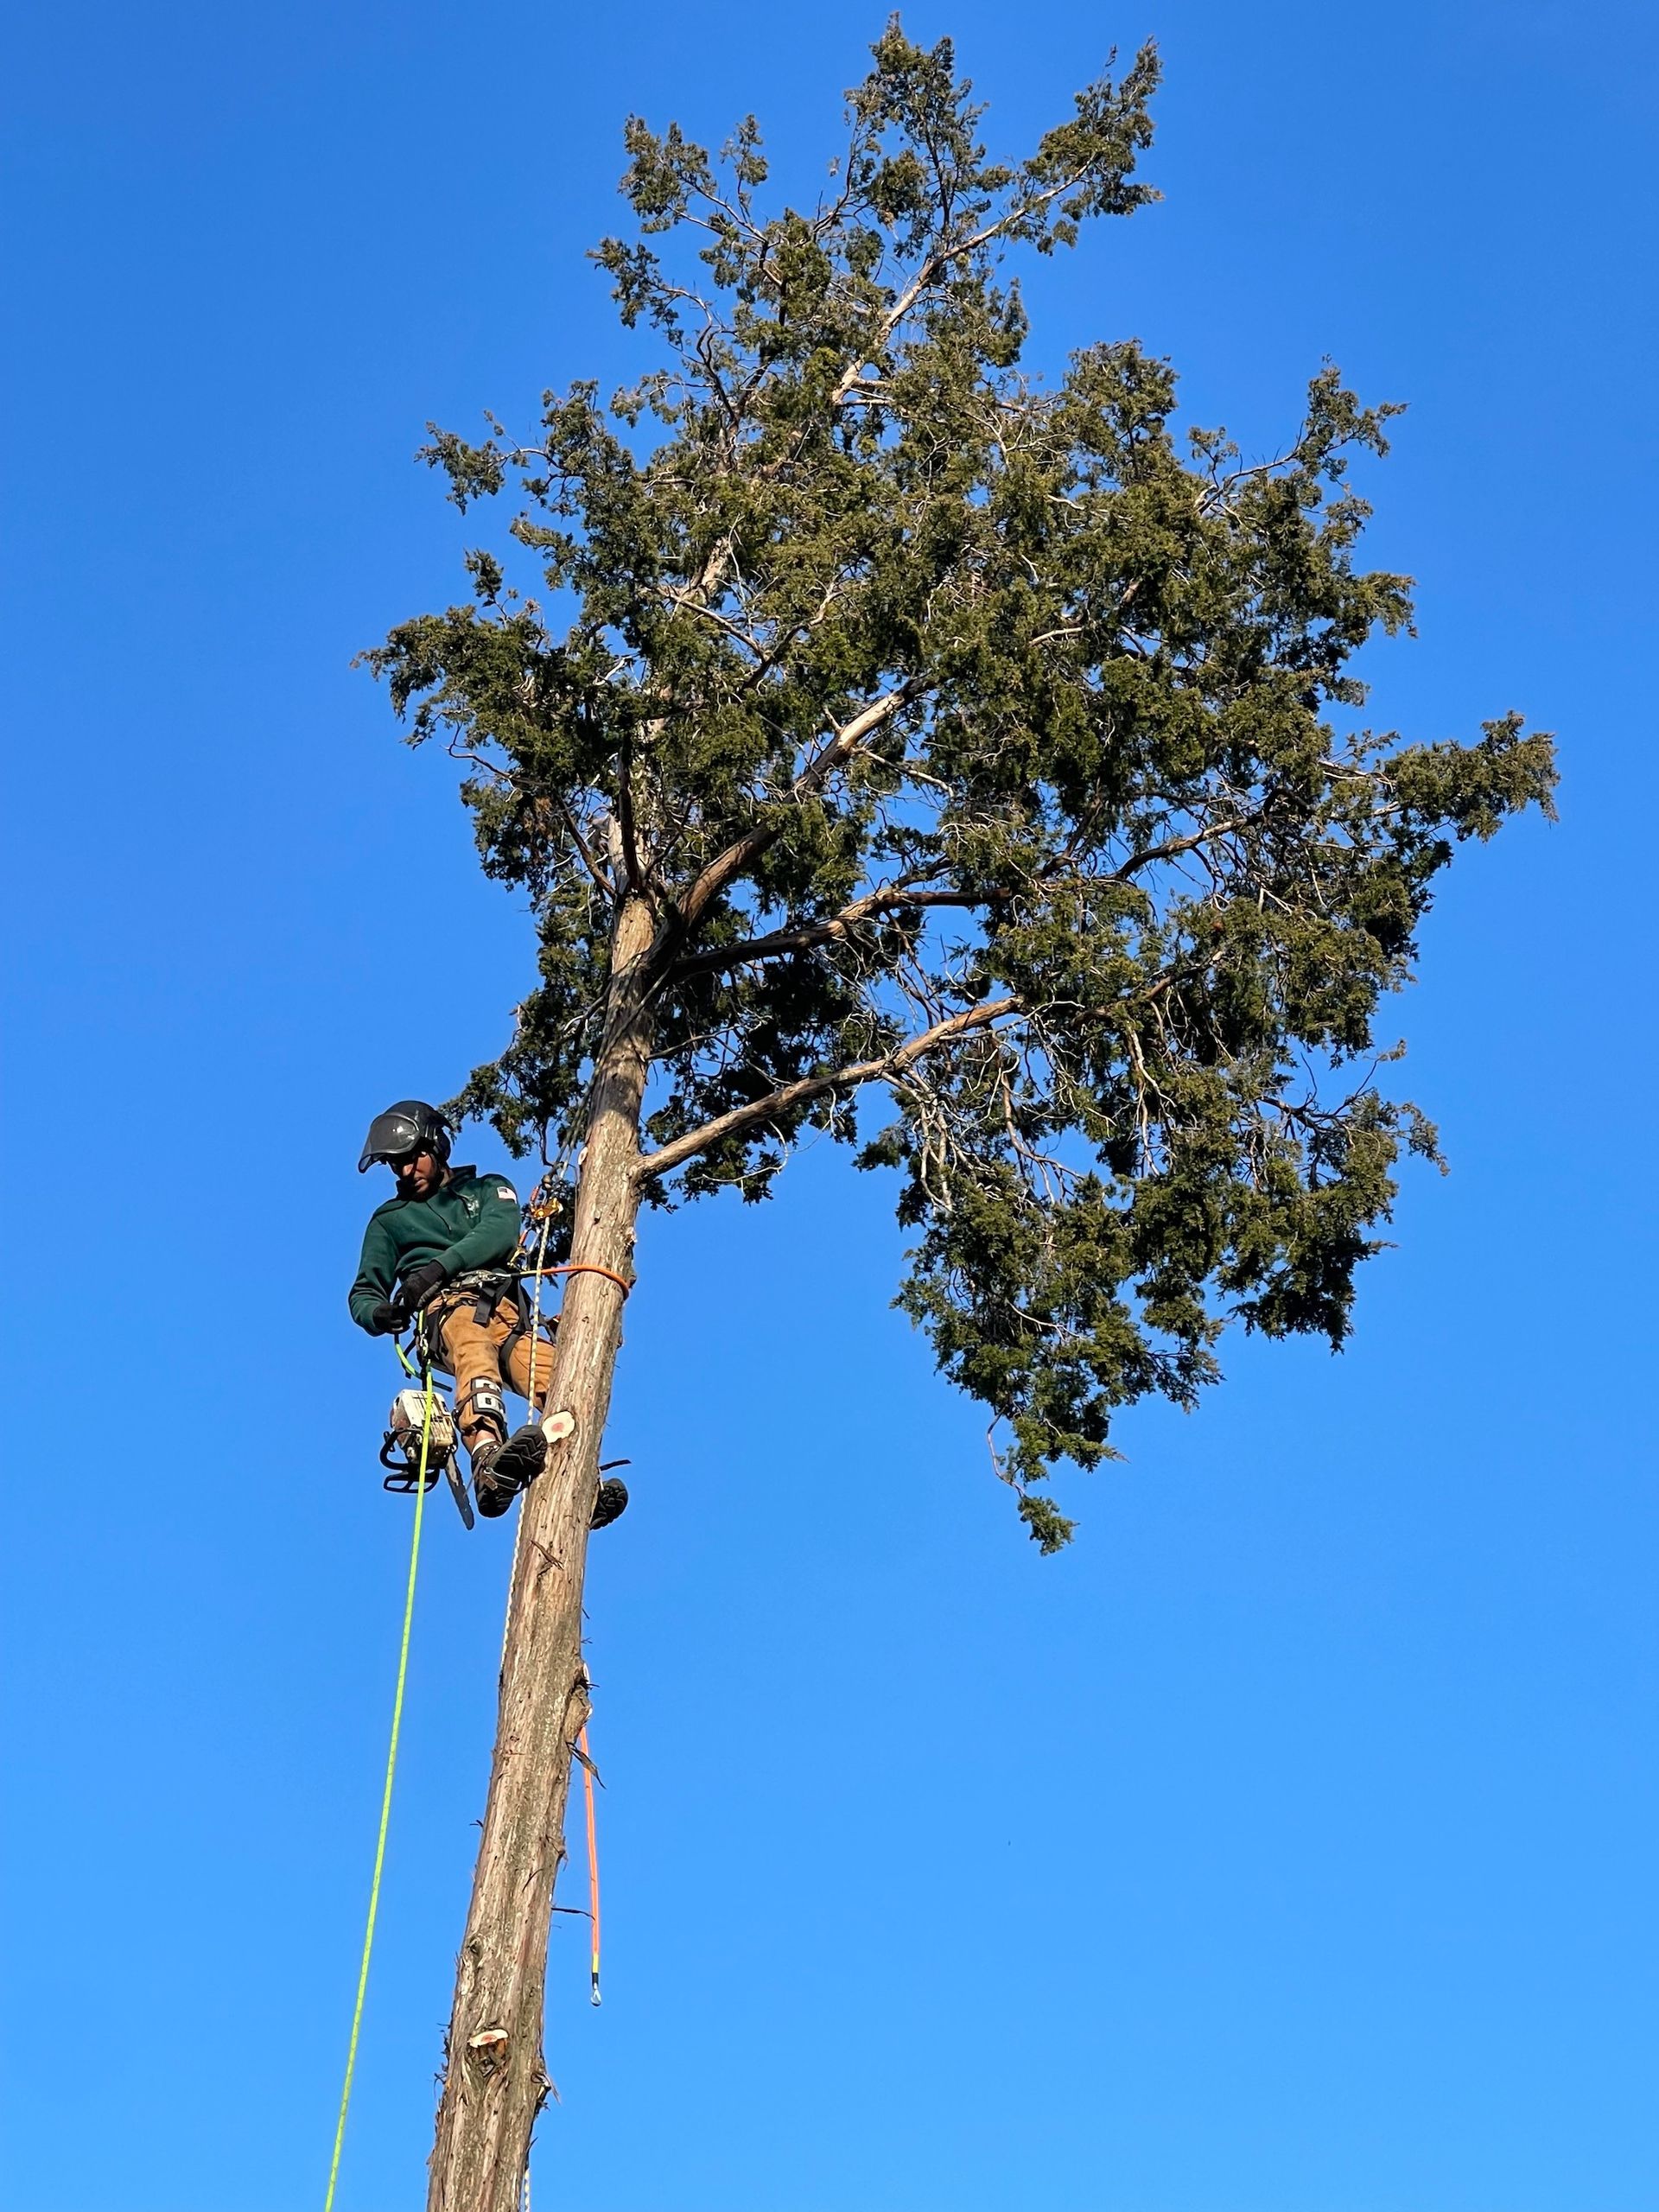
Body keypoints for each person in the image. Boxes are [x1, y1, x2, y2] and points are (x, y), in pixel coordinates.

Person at [348, 1099, 626, 1527]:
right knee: (471, 1346)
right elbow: (364, 1291)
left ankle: (580, 1481)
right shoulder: (389, 1221)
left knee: (559, 1378)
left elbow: (498, 1233)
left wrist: (436, 1268)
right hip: (447, 1312)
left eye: (411, 1159)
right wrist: (378, 1313)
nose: (405, 1172)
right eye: (395, 1165)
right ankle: (487, 1463)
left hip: (507, 1312)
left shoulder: (487, 1190)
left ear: (436, 1146)